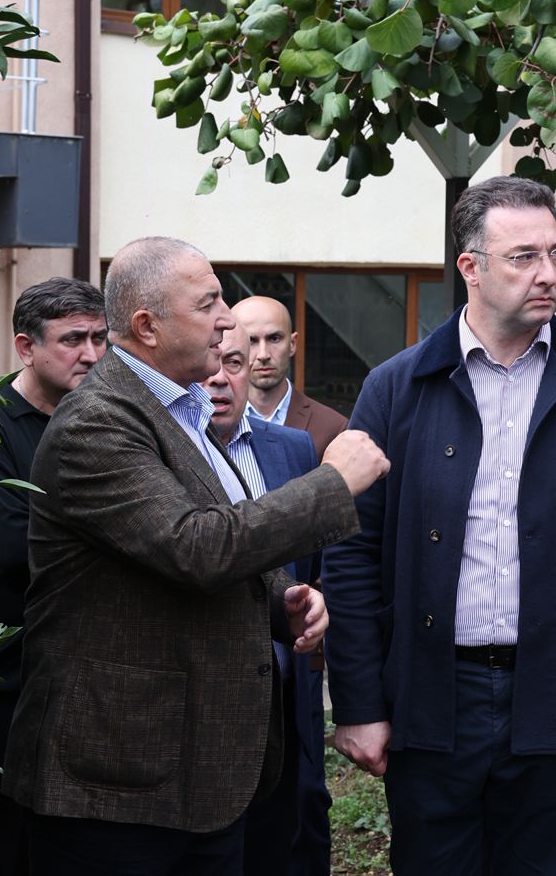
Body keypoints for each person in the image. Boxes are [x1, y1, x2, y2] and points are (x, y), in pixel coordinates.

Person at [1, 237, 390, 876]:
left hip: (198, 778)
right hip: (116, 788)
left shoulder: (182, 410)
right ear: (147, 326)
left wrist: (281, 603)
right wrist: (333, 483)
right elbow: (196, 546)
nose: (227, 320)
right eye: (208, 303)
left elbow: (201, 546)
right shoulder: (96, 422)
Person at [325, 176, 556, 875]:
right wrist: (359, 703)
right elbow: (352, 553)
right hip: (432, 692)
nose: (547, 274)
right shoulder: (395, 389)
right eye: (523, 257)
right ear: (471, 268)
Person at [0, 276, 107, 876]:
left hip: (89, 676)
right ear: (26, 346)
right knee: (4, 847)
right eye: (72, 339)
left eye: (99, 338)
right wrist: (111, 529)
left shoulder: (106, 423)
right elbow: (15, 550)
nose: (90, 354)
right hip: (5, 681)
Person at [201, 327, 333, 876]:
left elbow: (313, 565)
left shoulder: (294, 448)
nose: (219, 378)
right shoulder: (162, 453)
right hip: (205, 707)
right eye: (209, 364)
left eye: (233, 363)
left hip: (286, 694)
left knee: (290, 845)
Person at [231, 295, 349, 459]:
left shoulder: (332, 428)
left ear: (293, 344)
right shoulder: (209, 422)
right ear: (232, 346)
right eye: (251, 340)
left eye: (274, 338)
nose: (263, 355)